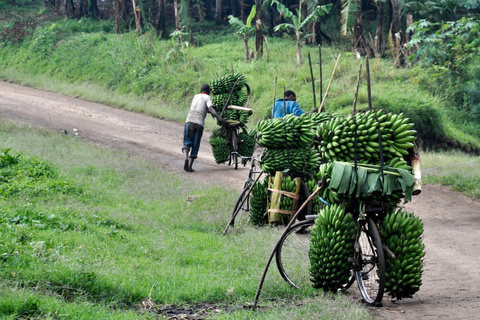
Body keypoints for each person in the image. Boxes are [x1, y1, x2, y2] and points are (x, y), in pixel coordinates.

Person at [182, 84, 227, 172]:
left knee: (187, 142)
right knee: (195, 144)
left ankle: (185, 158)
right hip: (199, 124)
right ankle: (190, 167)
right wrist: (219, 118)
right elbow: (210, 109)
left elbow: (200, 108)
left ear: (201, 90)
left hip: (189, 121)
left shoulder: (195, 96)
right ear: (208, 91)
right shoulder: (208, 98)